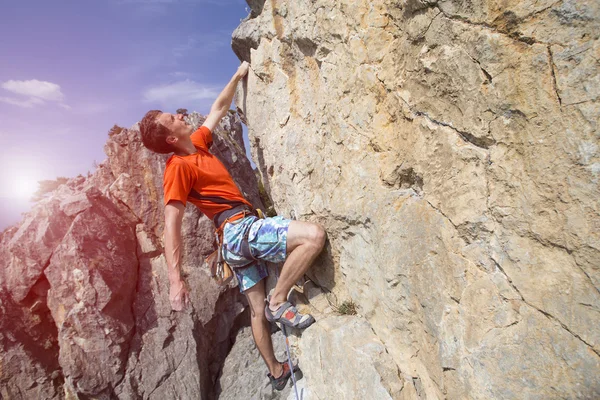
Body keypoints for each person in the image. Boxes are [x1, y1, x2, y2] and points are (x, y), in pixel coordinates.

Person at [139, 61, 326, 390]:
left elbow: (218, 107)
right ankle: (280, 300)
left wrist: (238, 76)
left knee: (255, 310)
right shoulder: (177, 167)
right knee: (313, 236)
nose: (180, 115)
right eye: (172, 118)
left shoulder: (197, 142)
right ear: (169, 137)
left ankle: (276, 371)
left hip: (233, 243)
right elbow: (172, 222)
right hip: (239, 231)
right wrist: (174, 279)